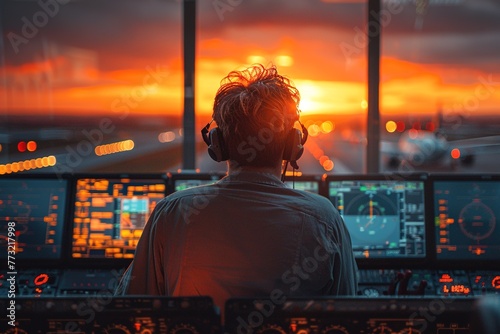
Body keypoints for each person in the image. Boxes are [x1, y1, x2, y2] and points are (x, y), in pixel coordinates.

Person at [115, 64, 358, 315]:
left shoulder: (171, 213)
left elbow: (131, 309)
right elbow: (348, 312)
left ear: (218, 143)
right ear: (292, 144)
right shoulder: (324, 218)